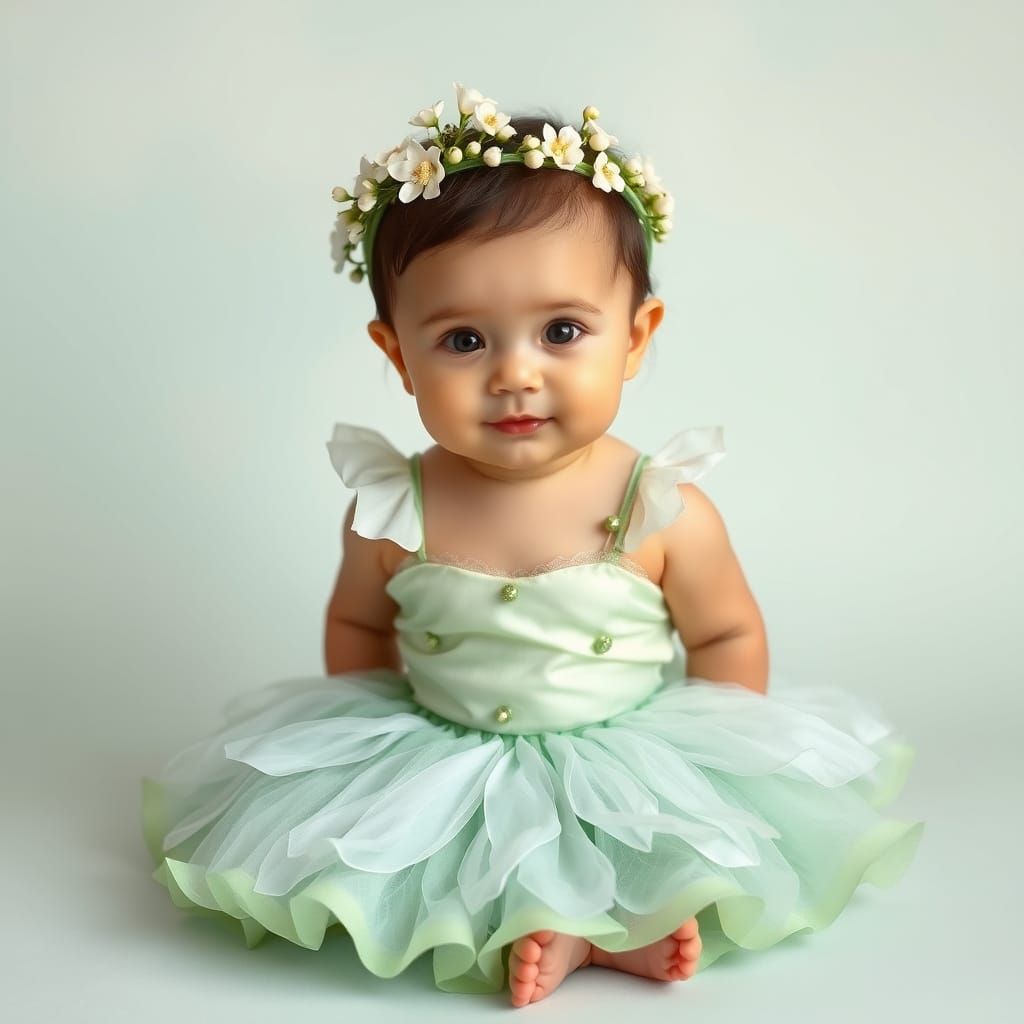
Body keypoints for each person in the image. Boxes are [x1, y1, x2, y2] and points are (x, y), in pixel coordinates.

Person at [141, 82, 924, 1008]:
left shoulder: (658, 508)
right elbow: (357, 623)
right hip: (450, 750)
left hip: (624, 754)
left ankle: (623, 919)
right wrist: (365, 743)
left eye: (561, 331)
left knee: (636, 838)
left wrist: (720, 769)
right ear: (397, 356)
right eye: (464, 340)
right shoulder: (394, 508)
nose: (515, 373)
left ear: (635, 338)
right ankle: (556, 930)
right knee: (444, 854)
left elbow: (724, 635)